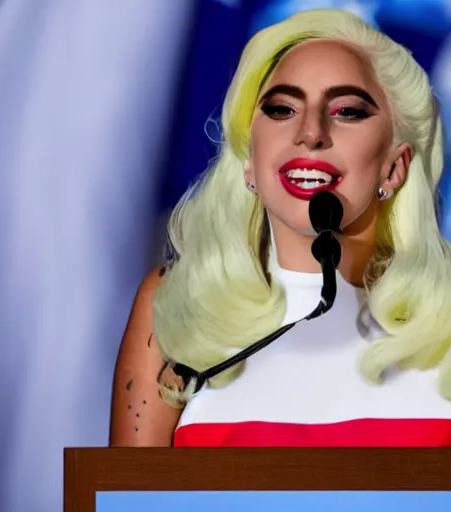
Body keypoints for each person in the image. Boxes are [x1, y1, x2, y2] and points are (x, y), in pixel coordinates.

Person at [110, 8, 451, 447]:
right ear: (250, 162)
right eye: (281, 108)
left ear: (394, 167)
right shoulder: (178, 306)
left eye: (347, 111)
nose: (310, 133)